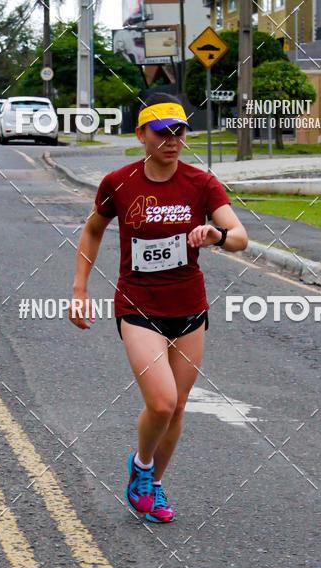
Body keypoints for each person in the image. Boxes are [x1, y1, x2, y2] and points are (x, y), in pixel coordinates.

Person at [69, 93, 248, 523]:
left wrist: (216, 236)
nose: (172, 140)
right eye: (162, 133)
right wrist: (80, 288)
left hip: (189, 307)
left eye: (179, 131)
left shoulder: (201, 183)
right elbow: (93, 231)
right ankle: (142, 466)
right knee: (163, 402)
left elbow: (240, 235)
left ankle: (153, 482)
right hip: (138, 306)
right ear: (142, 136)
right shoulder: (119, 182)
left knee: (180, 405)